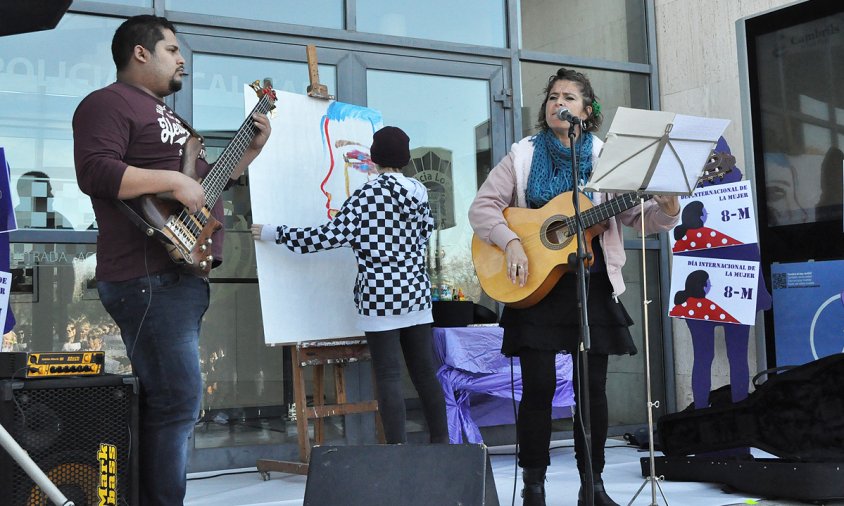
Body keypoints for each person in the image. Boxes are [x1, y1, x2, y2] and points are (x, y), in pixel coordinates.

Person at [72, 15, 270, 505]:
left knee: (171, 402)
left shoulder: (173, 120)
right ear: (140, 52)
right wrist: (174, 181)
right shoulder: (107, 103)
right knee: (178, 401)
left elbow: (206, 188)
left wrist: (248, 153)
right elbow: (95, 171)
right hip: (145, 275)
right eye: (173, 49)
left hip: (177, 277)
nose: (183, 60)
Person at [468, 68, 680, 506]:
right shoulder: (522, 155)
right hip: (535, 282)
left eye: (568, 96)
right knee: (539, 387)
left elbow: (636, 219)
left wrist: (668, 210)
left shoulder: (607, 158)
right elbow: (483, 207)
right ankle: (533, 487)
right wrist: (510, 243)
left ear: (588, 110)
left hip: (592, 282)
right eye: (552, 96)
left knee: (592, 390)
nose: (556, 102)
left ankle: (593, 486)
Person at [251, 126, 448, 445]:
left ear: (375, 156)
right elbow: (426, 232)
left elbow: (325, 237)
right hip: (416, 295)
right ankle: (443, 445)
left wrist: (276, 232)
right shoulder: (419, 194)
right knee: (425, 374)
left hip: (379, 297)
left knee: (388, 375)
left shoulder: (367, 196)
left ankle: (397, 451)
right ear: (406, 158)